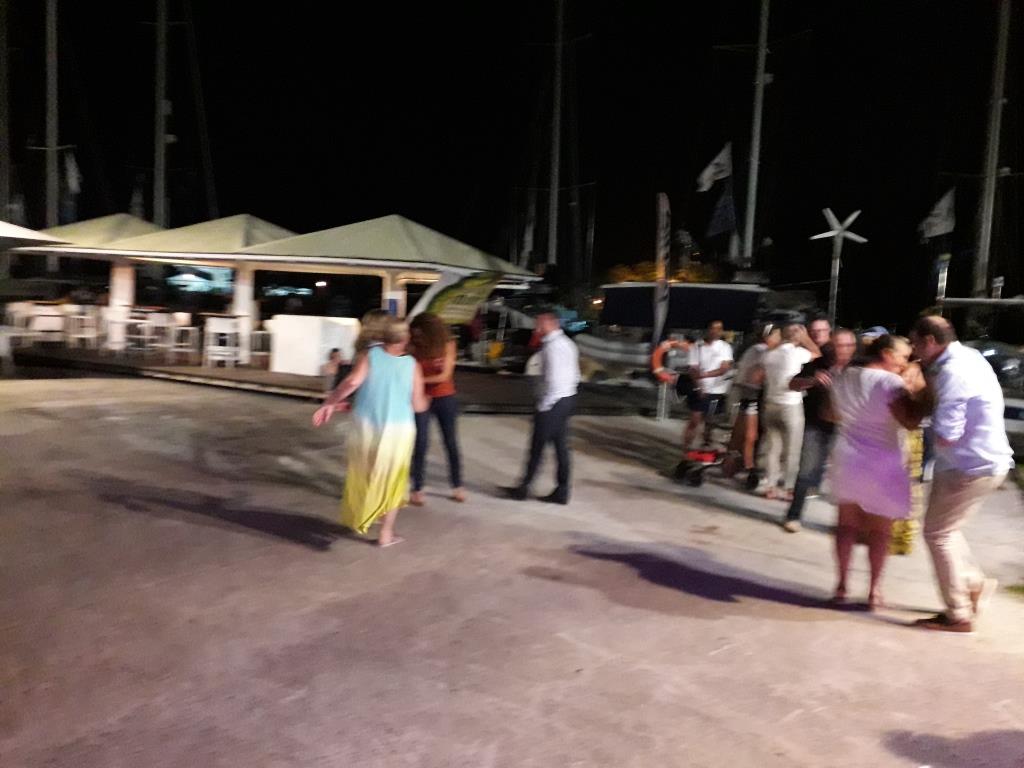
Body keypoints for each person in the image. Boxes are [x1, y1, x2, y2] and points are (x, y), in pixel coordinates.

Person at [909, 316, 1014, 633]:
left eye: (915, 343)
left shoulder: (953, 372)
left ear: (929, 341)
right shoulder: (968, 356)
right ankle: (972, 585)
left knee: (937, 534)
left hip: (968, 466)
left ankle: (958, 613)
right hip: (984, 462)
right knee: (947, 529)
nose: (913, 350)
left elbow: (947, 435)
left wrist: (916, 413)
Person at [828, 334, 928, 609]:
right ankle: (874, 590)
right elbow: (910, 421)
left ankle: (841, 585)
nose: (906, 362)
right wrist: (919, 390)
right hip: (883, 460)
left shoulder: (844, 375)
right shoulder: (891, 383)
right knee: (880, 531)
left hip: (847, 455)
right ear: (887, 354)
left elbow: (830, 414)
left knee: (846, 525)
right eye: (904, 356)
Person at [312, 316, 428, 547]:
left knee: (364, 472)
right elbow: (418, 405)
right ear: (405, 338)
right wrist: (427, 401)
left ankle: (366, 513)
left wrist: (330, 402)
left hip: (366, 428)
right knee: (392, 479)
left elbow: (353, 382)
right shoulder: (411, 365)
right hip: (398, 432)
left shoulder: (370, 355)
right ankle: (386, 533)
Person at [782, 326, 858, 531]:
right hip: (817, 425)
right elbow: (792, 384)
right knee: (806, 470)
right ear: (832, 345)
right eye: (840, 345)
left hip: (848, 429)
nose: (844, 349)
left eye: (849, 345)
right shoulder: (819, 364)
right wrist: (811, 381)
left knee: (846, 477)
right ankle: (793, 515)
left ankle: (846, 524)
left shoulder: (859, 368)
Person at [503, 309, 580, 504]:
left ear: (552, 323)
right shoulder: (567, 343)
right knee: (561, 447)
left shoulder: (553, 347)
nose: (537, 327)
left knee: (537, 447)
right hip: (567, 398)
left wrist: (545, 405)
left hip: (554, 401)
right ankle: (561, 490)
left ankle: (524, 488)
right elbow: (575, 375)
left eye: (540, 323)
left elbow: (554, 380)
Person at [409, 312, 465, 506]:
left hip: (444, 397)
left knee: (450, 441)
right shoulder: (413, 346)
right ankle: (417, 488)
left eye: (420, 333)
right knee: (420, 442)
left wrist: (418, 381)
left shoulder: (447, 344)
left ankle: (457, 486)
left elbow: (444, 376)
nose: (417, 337)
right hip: (420, 398)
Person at [759, 324, 821, 499]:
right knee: (792, 449)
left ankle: (770, 486)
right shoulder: (797, 353)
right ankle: (789, 487)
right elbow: (817, 354)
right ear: (797, 338)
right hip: (790, 405)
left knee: (773, 448)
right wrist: (806, 339)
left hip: (770, 404)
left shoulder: (769, 355)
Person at [728, 323, 782, 478]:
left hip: (753, 395)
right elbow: (754, 376)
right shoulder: (759, 351)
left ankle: (736, 463)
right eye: (776, 335)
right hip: (750, 394)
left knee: (745, 433)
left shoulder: (763, 351)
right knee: (749, 435)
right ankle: (747, 466)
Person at [683, 320, 734, 449]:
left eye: (719, 329)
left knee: (710, 421)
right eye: (713, 328)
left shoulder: (725, 347)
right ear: (708, 330)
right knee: (695, 419)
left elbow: (724, 368)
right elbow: (692, 368)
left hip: (717, 389)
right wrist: (699, 385)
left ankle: (706, 446)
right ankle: (686, 448)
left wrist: (705, 375)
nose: (716, 331)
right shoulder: (697, 346)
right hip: (699, 387)